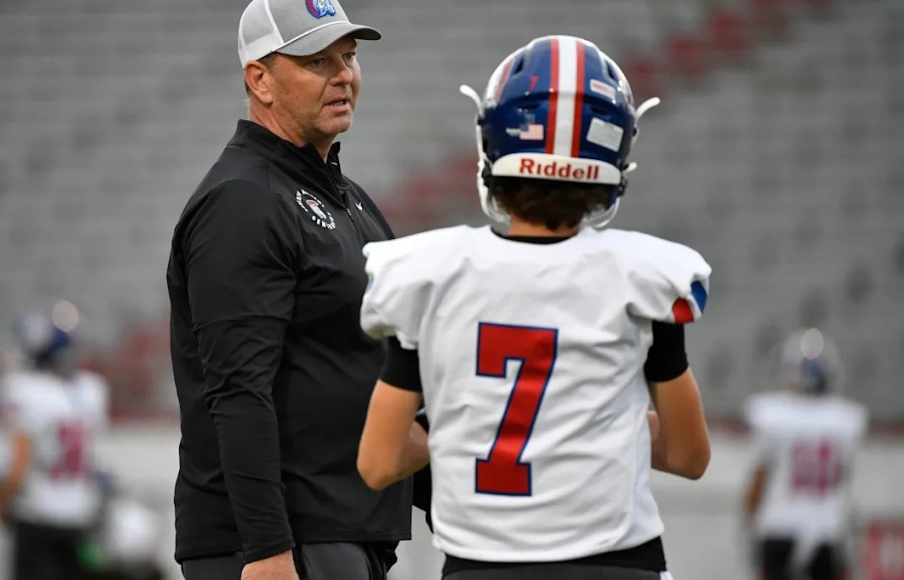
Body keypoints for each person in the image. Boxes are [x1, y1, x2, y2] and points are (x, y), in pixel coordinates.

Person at [356, 35, 713, 580]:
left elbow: (378, 463)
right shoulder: (644, 278)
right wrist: (585, 427)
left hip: (482, 568)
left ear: (493, 142)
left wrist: (465, 423)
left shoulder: (432, 274)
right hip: (616, 567)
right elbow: (690, 456)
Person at [165, 0, 414, 579]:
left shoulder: (346, 197)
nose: (343, 75)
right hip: (286, 542)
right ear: (259, 79)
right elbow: (237, 389)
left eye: (348, 57)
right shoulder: (244, 200)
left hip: (342, 528)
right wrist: (266, 551)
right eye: (316, 61)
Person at [0, 303, 110, 580]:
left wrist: (0, 503)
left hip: (37, 520)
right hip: (79, 521)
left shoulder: (24, 392)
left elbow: (16, 467)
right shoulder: (90, 391)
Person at [742, 329, 868, 580]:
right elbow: (843, 479)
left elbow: (759, 478)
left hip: (780, 526)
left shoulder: (772, 415)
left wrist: (748, 518)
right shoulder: (845, 419)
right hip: (827, 531)